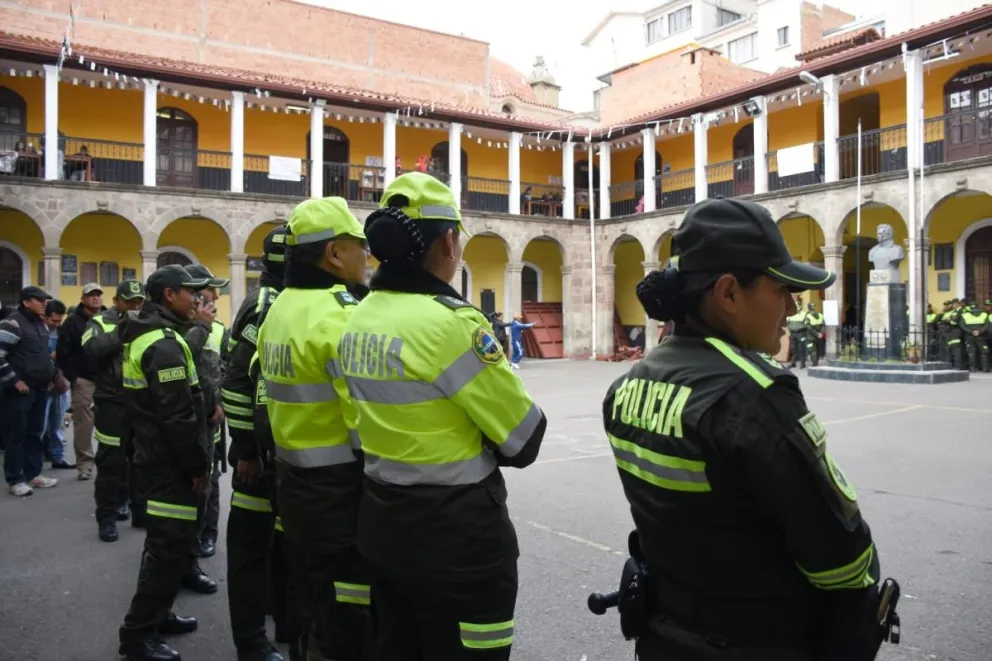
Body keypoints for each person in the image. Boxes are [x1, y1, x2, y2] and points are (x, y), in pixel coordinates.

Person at [603, 197, 885, 660]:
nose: (793, 307)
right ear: (730, 293)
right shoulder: (754, 396)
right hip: (760, 643)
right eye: (781, 289)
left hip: (665, 636)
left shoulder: (626, 387)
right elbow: (844, 560)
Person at [342, 172, 547, 660]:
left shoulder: (358, 319)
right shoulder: (452, 324)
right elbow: (524, 438)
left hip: (383, 526)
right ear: (449, 241)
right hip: (459, 542)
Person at [258, 197, 373, 661]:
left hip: (296, 483)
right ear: (333, 255)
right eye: (360, 245)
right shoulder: (342, 317)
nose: (368, 255)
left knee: (310, 602)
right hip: (342, 493)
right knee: (350, 615)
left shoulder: (281, 309)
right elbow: (366, 421)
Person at [117, 265, 215, 661]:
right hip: (168, 465)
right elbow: (176, 416)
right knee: (168, 549)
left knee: (165, 547)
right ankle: (137, 636)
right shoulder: (164, 344)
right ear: (169, 296)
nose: (199, 300)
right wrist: (196, 468)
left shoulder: (158, 334)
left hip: (156, 457)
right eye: (191, 293)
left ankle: (159, 616)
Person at [223, 224, 292, 661]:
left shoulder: (288, 299)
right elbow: (235, 380)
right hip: (258, 458)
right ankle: (251, 644)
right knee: (249, 549)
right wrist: (246, 449)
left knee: (280, 544)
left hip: (281, 456)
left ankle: (283, 621)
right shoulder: (264, 304)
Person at [82, 280, 146, 542]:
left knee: (142, 461)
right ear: (117, 300)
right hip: (111, 403)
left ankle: (140, 511)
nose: (135, 306)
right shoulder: (99, 322)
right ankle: (106, 518)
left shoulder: (147, 320)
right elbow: (91, 350)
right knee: (111, 464)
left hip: (140, 402)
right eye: (130, 301)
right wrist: (122, 330)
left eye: (138, 301)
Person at [183, 264, 230, 558]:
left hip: (212, 420)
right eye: (212, 290)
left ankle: (208, 534)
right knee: (189, 484)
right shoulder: (179, 329)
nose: (217, 296)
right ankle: (187, 541)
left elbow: (226, 368)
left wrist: (222, 403)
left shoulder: (221, 329)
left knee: (210, 480)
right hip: (187, 420)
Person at [0, 286, 61, 496]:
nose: (44, 303)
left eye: (45, 299)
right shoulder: (12, 323)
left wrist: (52, 375)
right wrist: (14, 380)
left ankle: (33, 475)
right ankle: (15, 479)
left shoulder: (41, 325)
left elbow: (43, 354)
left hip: (40, 388)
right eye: (40, 300)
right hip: (19, 391)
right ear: (26, 302)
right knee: (17, 435)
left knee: (35, 432)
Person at [57, 282, 104, 480]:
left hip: (108, 380)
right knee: (84, 426)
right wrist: (74, 378)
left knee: (111, 424)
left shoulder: (109, 318)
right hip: (84, 381)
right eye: (91, 295)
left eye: (98, 294)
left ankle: (109, 463)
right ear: (83, 299)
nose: (95, 298)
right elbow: (63, 353)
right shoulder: (72, 322)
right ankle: (85, 465)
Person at [43, 299, 74, 470]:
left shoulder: (62, 332)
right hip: (42, 384)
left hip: (60, 384)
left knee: (57, 424)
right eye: (53, 320)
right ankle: (32, 461)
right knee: (39, 426)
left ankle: (57, 457)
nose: (56, 324)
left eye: (59, 320)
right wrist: (50, 356)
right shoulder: (38, 331)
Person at [957, 301, 989, 373]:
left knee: (971, 352)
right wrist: (979, 331)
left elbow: (962, 325)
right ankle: (985, 368)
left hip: (969, 336)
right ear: (977, 306)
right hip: (981, 336)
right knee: (984, 352)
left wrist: (971, 331)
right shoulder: (984, 314)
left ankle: (972, 368)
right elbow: (987, 325)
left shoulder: (965, 315)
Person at [803, 302, 825, 367]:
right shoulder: (820, 315)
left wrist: (816, 333)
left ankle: (814, 362)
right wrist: (820, 333)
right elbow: (824, 325)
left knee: (812, 349)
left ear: (808, 308)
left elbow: (808, 327)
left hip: (810, 337)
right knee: (818, 349)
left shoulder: (808, 316)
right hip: (819, 336)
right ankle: (817, 361)